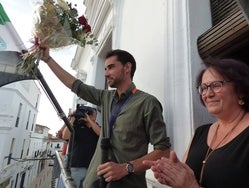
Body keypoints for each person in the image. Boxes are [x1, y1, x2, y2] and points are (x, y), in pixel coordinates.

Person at [41, 47, 171, 188]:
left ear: (127, 67)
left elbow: (163, 151)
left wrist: (126, 168)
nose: (106, 74)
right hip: (93, 182)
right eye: (104, 69)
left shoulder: (147, 103)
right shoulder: (106, 98)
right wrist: (48, 59)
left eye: (110, 67)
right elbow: (75, 85)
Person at [143, 58, 249, 188]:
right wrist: (175, 179)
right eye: (204, 88)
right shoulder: (201, 132)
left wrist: (191, 186)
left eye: (216, 85)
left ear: (241, 90)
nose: (208, 94)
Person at [62, 106, 100, 188]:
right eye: (90, 113)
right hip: (77, 165)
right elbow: (65, 136)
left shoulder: (97, 127)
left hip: (93, 166)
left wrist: (89, 120)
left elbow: (100, 134)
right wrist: (72, 120)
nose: (92, 115)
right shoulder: (77, 127)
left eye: (93, 114)